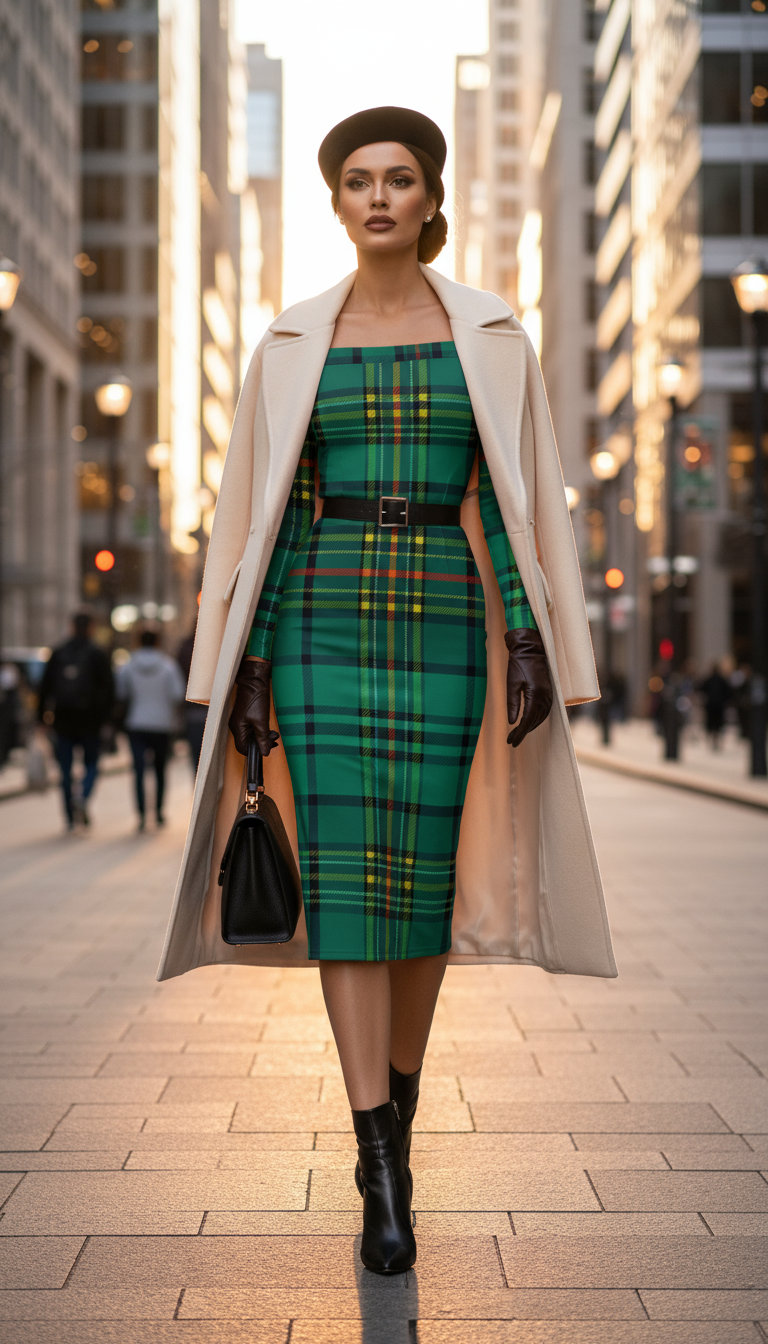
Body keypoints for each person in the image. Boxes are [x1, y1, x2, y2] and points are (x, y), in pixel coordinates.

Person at [157, 107, 616, 1276]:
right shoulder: (289, 342)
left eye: (397, 179)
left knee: (415, 900)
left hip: (445, 623)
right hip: (317, 619)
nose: (376, 198)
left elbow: (514, 506)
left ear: (428, 196)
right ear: (336, 201)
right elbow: (262, 517)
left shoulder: (494, 337)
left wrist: (530, 637)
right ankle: (381, 1167)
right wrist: (245, 663)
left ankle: (394, 1120)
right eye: (356, 180)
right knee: (352, 901)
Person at [37, 611, 114, 829]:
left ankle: (70, 815)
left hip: (62, 718)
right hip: (90, 720)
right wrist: (107, 720)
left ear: (71, 626)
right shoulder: (97, 654)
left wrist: (41, 718)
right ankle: (83, 796)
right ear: (91, 627)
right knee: (91, 763)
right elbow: (108, 689)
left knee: (65, 768)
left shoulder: (59, 652)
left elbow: (45, 688)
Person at [116, 628, 185, 831]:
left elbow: (121, 693)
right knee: (160, 770)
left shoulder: (128, 666)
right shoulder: (168, 666)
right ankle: (159, 812)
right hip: (162, 724)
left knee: (138, 771)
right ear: (157, 642)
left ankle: (141, 815)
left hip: (136, 723)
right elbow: (178, 694)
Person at [176, 621, 207, 773]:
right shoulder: (215, 647)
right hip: (211, 709)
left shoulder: (185, 647)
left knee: (196, 752)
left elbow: (179, 678)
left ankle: (198, 787)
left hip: (191, 709)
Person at [699, 660, 731, 750]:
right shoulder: (722, 679)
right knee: (718, 723)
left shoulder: (709, 679)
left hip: (711, 705)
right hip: (719, 705)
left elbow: (701, 689)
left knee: (711, 722)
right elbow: (728, 692)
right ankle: (716, 739)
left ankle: (712, 739)